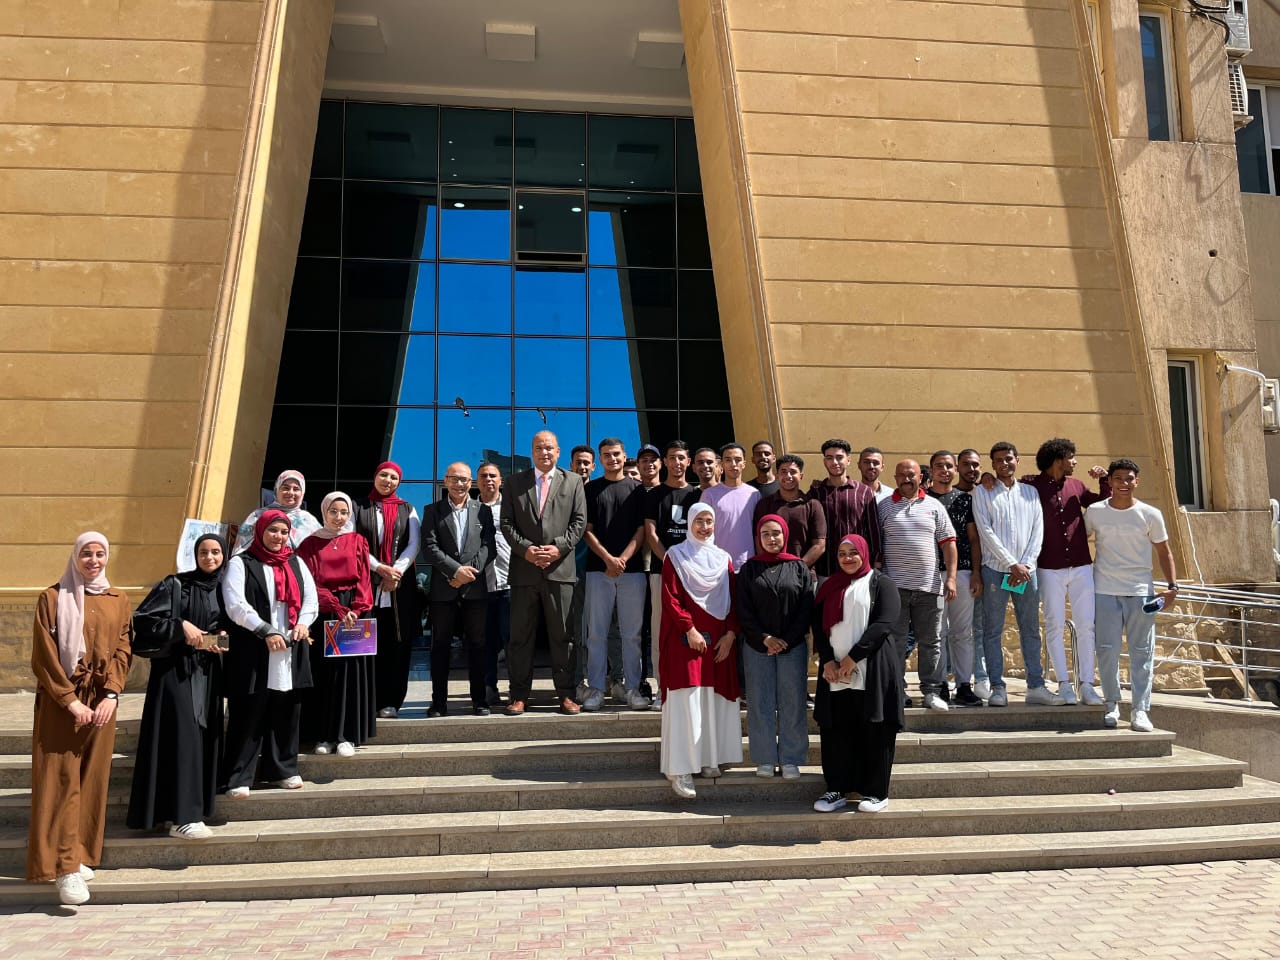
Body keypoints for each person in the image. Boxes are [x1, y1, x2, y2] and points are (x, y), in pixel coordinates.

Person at [27, 532, 132, 905]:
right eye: (87, 553)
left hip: (101, 702)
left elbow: (123, 648)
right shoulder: (52, 597)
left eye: (100, 554)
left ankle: (80, 853)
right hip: (62, 702)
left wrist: (112, 694)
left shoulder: (118, 599)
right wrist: (69, 701)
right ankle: (64, 868)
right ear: (75, 557)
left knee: (91, 779)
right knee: (60, 781)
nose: (93, 560)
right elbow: (44, 655)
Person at [127, 533, 228, 841]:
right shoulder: (175, 584)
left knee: (198, 739)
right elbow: (143, 620)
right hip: (174, 674)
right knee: (182, 737)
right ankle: (183, 818)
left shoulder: (225, 589)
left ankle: (182, 812)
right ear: (194, 555)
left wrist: (218, 640)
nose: (209, 557)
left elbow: (225, 630)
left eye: (215, 552)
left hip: (207, 673)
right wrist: (179, 626)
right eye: (203, 552)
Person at [221, 510, 318, 796]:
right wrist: (265, 630)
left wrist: (303, 623)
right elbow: (235, 604)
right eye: (273, 530)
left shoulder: (296, 562)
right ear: (260, 531)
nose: (278, 537)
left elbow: (310, 599)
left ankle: (282, 770)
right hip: (255, 647)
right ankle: (239, 776)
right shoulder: (241, 563)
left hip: (290, 648)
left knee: (286, 710)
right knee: (248, 712)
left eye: (284, 532)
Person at [811, 534, 903, 813]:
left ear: (864, 553)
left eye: (853, 552)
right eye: (842, 554)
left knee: (874, 729)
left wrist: (852, 659)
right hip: (835, 673)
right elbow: (818, 625)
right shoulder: (830, 586)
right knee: (837, 730)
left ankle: (876, 792)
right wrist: (829, 660)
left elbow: (884, 623)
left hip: (871, 668)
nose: (848, 558)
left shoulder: (881, 583)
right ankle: (837, 789)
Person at [1085, 459, 1178, 733]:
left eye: (1129, 478)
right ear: (1110, 481)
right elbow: (1077, 542)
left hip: (1141, 593)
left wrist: (1172, 587)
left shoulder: (1150, 514)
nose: (1124, 484)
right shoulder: (1095, 511)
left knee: (1142, 652)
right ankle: (1111, 704)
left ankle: (1140, 710)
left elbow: (1164, 552)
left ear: (1137, 481)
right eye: (1118, 478)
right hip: (1104, 590)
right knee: (1107, 650)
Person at [500, 430, 588, 716]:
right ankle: (518, 696)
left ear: (558, 451)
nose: (544, 452)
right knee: (520, 637)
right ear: (532, 451)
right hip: (524, 571)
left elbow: (579, 522)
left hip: (560, 570)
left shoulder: (573, 481)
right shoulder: (514, 483)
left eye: (549, 448)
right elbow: (506, 523)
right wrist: (526, 549)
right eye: (539, 447)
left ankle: (566, 694)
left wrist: (557, 548)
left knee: (563, 636)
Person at [659, 503, 743, 799]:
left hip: (718, 642)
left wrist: (731, 635)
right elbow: (670, 598)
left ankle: (708, 758)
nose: (705, 527)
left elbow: (734, 599)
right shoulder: (675, 556)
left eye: (709, 521)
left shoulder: (723, 559)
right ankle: (680, 768)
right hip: (686, 642)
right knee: (687, 699)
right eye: (699, 521)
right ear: (690, 523)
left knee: (712, 698)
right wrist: (689, 629)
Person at [972, 442, 1061, 707]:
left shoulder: (1030, 493)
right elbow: (985, 532)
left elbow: (1037, 530)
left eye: (1009, 458)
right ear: (992, 464)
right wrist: (1011, 563)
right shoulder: (983, 492)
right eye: (999, 460)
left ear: (1017, 460)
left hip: (1026, 574)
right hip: (994, 572)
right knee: (992, 631)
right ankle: (997, 688)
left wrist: (1025, 565)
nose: (1004, 463)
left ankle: (1036, 686)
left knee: (1030, 629)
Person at [1022, 438, 1109, 706]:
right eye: (1071, 457)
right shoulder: (1031, 486)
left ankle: (1087, 685)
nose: (1075, 462)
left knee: (1086, 626)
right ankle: (1063, 685)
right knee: (1054, 625)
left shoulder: (1077, 485)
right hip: (1049, 568)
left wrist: (1104, 480)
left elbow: (1101, 503)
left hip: (1081, 566)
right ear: (1058, 459)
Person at [296, 492, 376, 755]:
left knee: (349, 674)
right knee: (325, 674)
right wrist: (336, 607)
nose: (339, 517)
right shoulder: (309, 544)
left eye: (344, 512)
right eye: (333, 511)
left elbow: (364, 578)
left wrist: (357, 608)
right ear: (324, 512)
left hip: (354, 613)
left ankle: (346, 736)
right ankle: (324, 736)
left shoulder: (358, 540)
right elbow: (307, 581)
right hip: (324, 611)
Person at [736, 514, 814, 779]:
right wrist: (765, 638)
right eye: (766, 534)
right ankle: (765, 758)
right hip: (757, 647)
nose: (771, 539)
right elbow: (743, 610)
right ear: (758, 538)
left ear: (785, 536)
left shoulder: (799, 568)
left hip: (793, 646)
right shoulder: (749, 569)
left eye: (776, 533)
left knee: (793, 702)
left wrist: (786, 640)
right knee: (760, 703)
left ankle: (791, 758)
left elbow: (806, 608)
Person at [878, 460, 957, 710]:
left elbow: (948, 543)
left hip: (929, 588)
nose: (906, 479)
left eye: (911, 474)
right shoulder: (883, 507)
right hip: (894, 589)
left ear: (920, 477)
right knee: (896, 642)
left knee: (931, 642)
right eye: (901, 475)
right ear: (895, 478)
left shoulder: (934, 506)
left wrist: (951, 578)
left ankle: (932, 692)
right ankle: (896, 692)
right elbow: (876, 546)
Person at [421, 462, 495, 717]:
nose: (459, 484)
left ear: (470, 482)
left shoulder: (483, 511)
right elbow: (429, 547)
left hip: (475, 589)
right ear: (445, 481)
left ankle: (480, 701)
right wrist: (455, 572)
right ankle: (438, 702)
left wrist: (467, 574)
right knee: (440, 646)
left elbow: (488, 547)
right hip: (444, 589)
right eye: (454, 478)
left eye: (464, 479)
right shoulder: (432, 510)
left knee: (478, 645)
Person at [582, 438, 649, 711]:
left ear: (624, 456)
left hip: (632, 571)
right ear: (600, 459)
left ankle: (632, 688)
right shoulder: (591, 490)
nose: (612, 459)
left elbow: (642, 530)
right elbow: (586, 530)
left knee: (632, 635)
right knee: (596, 634)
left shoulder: (638, 490)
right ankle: (597, 689)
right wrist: (608, 559)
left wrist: (622, 559)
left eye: (616, 454)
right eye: (607, 455)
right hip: (598, 570)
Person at [354, 461, 421, 720]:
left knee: (397, 644)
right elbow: (353, 543)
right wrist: (380, 568)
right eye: (383, 475)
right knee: (365, 642)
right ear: (375, 476)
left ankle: (391, 701)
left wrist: (395, 572)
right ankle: (364, 702)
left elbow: (413, 544)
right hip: (366, 582)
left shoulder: (407, 509)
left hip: (399, 587)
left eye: (394, 477)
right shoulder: (357, 507)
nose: (388, 480)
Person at [926, 451, 983, 707]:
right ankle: (939, 685)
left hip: (962, 572)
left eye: (949, 466)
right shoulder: (922, 499)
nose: (945, 470)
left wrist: (976, 573)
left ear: (955, 470)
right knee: (937, 633)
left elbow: (973, 539)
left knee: (962, 633)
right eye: (939, 466)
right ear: (931, 470)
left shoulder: (965, 500)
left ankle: (963, 685)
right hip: (930, 574)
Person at [644, 440, 702, 696]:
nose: (677, 462)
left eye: (681, 457)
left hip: (694, 573)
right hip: (662, 572)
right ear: (665, 462)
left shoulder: (697, 495)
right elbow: (651, 533)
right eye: (672, 457)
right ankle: (662, 687)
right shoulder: (654, 495)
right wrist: (671, 561)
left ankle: (694, 681)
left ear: (688, 462)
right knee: (661, 629)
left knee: (694, 627)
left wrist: (686, 565)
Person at [810, 438, 882, 575]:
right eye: (829, 458)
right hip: (825, 570)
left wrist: (877, 563)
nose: (834, 462)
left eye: (839, 457)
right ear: (824, 461)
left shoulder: (864, 492)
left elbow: (874, 531)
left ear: (848, 460)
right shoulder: (815, 493)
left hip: (857, 569)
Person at [752, 454, 827, 573]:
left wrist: (796, 568)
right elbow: (759, 541)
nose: (788, 476)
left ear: (801, 476)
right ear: (777, 476)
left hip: (804, 574)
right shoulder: (764, 505)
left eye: (793, 472)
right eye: (783, 471)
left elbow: (819, 545)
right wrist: (774, 569)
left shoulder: (813, 505)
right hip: (772, 572)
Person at [955, 448, 990, 698]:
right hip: (959, 570)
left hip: (989, 568)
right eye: (966, 464)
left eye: (976, 465)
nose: (972, 469)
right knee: (951, 630)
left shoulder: (987, 491)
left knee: (979, 626)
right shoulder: (951, 496)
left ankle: (981, 677)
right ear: (958, 466)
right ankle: (954, 678)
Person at [697, 443, 761, 572]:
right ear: (721, 464)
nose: (733, 464)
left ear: (744, 463)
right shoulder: (709, 495)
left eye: (738, 460)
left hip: (748, 565)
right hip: (717, 566)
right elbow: (701, 532)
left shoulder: (754, 494)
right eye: (728, 460)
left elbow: (758, 532)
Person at [477, 461, 510, 707]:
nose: (488, 479)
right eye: (483, 476)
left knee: (513, 641)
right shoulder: (470, 509)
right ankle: (488, 688)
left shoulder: (512, 508)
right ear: (477, 482)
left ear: (500, 480)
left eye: (492, 476)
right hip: (481, 585)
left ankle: (517, 691)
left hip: (510, 582)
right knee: (485, 642)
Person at [234, 469, 321, 553]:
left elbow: (320, 553)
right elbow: (241, 550)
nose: (290, 493)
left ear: (302, 493)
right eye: (286, 488)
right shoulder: (258, 516)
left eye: (296, 489)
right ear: (276, 490)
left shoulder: (309, 520)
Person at [568, 445, 596, 696]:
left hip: (598, 570)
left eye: (586, 463)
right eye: (578, 462)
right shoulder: (563, 492)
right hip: (570, 571)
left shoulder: (598, 492)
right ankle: (576, 682)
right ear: (571, 465)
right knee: (575, 631)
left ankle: (608, 679)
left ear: (593, 466)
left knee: (602, 629)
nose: (582, 466)